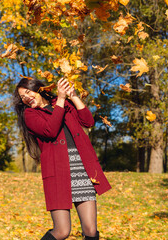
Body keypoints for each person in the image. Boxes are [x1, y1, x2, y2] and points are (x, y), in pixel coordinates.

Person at [13, 77, 111, 240]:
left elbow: (88, 121)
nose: (26, 98)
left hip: (81, 169)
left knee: (91, 230)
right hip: (57, 172)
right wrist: (60, 99)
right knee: (62, 231)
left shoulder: (62, 102)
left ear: (38, 89)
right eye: (23, 97)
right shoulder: (30, 114)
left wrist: (72, 96)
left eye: (28, 92)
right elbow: (50, 131)